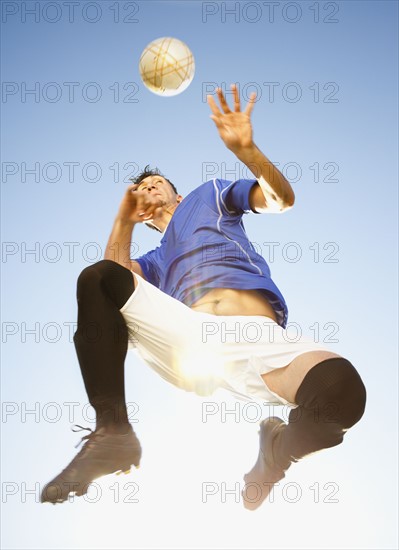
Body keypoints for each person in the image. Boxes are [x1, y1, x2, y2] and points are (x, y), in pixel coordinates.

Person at [41, 85, 366, 509]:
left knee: (342, 393)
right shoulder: (154, 260)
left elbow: (281, 199)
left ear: (176, 194)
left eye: (157, 182)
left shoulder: (207, 196)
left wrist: (248, 150)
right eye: (142, 186)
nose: (149, 186)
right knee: (99, 278)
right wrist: (122, 223)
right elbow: (113, 281)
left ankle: (277, 452)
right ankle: (113, 433)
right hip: (191, 342)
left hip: (261, 337)